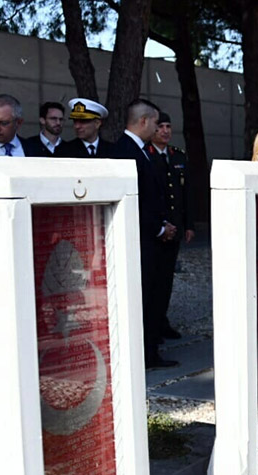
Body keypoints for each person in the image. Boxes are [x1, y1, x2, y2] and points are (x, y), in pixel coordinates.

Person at [113, 99, 177, 369]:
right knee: (143, 298)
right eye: (154, 122)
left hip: (152, 239)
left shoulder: (142, 151)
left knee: (152, 297)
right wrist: (159, 227)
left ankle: (149, 350)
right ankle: (144, 354)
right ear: (143, 121)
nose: (157, 127)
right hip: (141, 240)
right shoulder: (126, 152)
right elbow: (133, 201)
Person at [149, 111, 194, 342]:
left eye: (168, 126)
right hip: (155, 230)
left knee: (167, 280)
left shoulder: (178, 156)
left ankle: (162, 321)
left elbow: (185, 194)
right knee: (153, 281)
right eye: (160, 126)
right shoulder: (146, 155)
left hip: (175, 229)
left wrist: (188, 224)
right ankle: (152, 326)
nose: (165, 131)